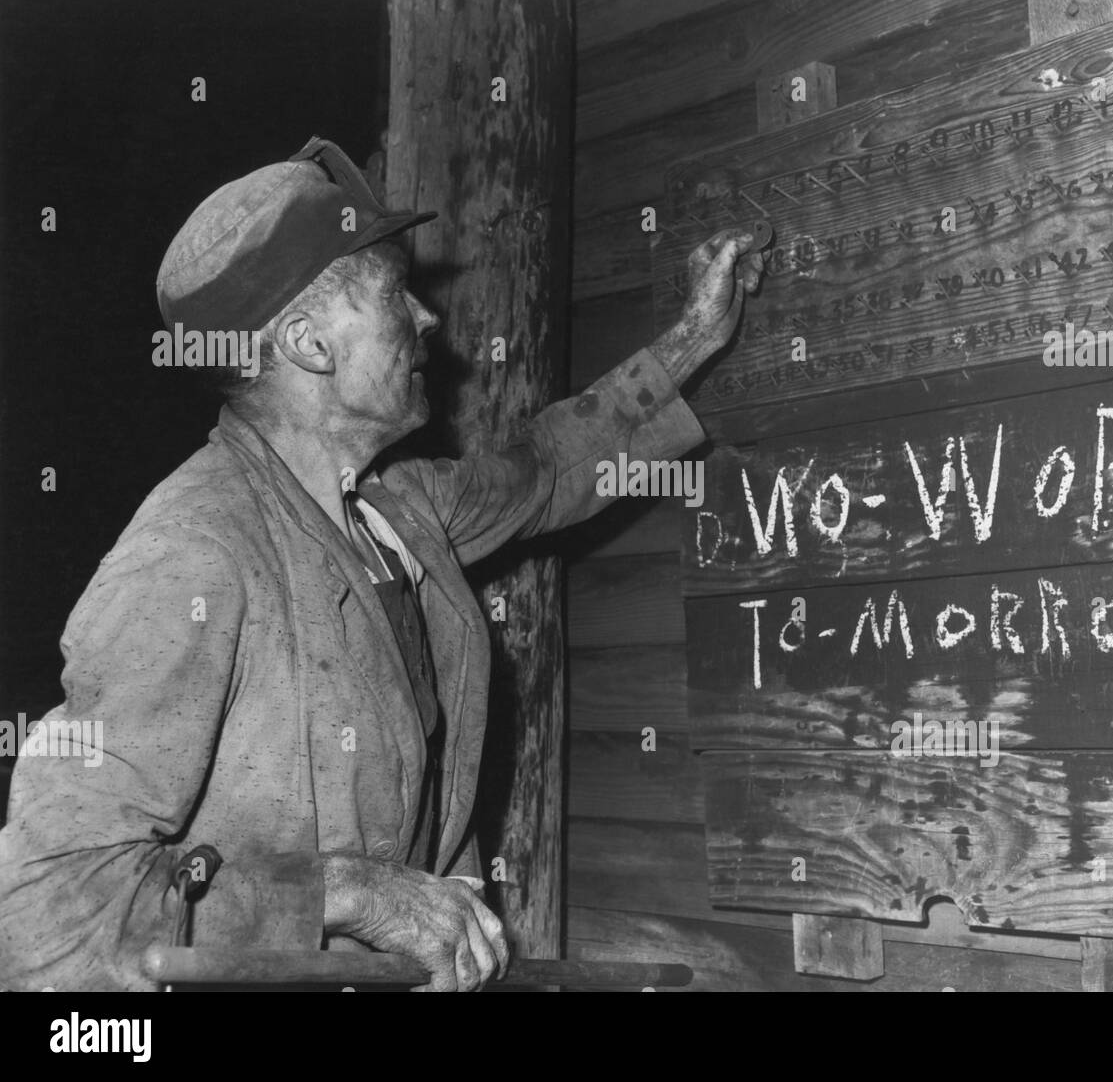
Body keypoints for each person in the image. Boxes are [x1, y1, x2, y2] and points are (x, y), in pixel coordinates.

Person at [0, 137, 764, 991]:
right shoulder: (189, 557)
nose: (428, 317)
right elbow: (47, 907)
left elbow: (545, 469)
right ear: (309, 343)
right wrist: (347, 891)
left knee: (715, 975)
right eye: (393, 292)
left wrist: (697, 336)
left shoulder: (397, 503)